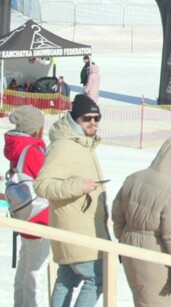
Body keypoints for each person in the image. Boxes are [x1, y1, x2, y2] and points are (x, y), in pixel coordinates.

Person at [34, 94, 110, 307]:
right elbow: (42, 185)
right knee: (97, 278)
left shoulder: (84, 145)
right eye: (87, 118)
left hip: (81, 228)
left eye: (97, 118)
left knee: (67, 279)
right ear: (75, 119)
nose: (93, 123)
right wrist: (78, 187)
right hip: (77, 231)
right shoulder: (65, 146)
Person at [111, 135, 171, 307]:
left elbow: (117, 215)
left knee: (141, 299)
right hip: (155, 253)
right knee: (161, 302)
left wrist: (122, 239)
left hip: (129, 247)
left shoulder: (133, 178)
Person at [6, 105, 51, 307]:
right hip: (39, 214)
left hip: (24, 214)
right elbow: (45, 182)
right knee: (36, 270)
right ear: (36, 128)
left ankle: (20, 303)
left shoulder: (18, 147)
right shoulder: (32, 150)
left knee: (25, 267)